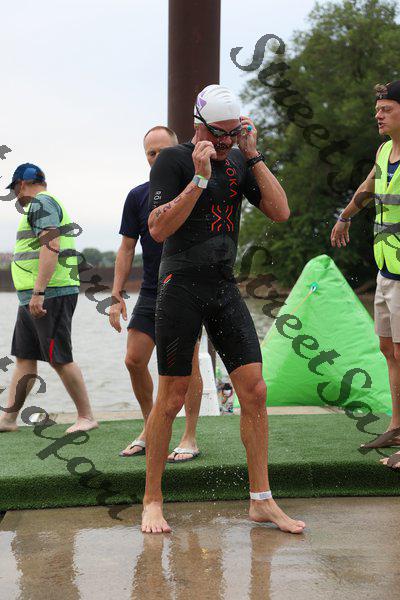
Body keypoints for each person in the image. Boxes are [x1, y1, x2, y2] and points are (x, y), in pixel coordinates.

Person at [141, 84, 306, 534]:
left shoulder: (238, 158)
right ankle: (152, 499)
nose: (227, 141)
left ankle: (261, 501)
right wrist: (197, 180)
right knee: (172, 397)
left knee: (254, 390)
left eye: (235, 132)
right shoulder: (174, 160)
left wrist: (253, 155)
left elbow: (280, 212)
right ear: (200, 126)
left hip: (222, 285)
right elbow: (158, 229)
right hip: (179, 285)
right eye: (221, 133)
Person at [109, 126, 203, 461]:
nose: (158, 157)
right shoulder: (137, 196)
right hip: (152, 289)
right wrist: (117, 294)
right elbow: (126, 248)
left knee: (189, 363)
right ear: (145, 157)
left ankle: (189, 436)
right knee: (134, 359)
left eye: (164, 151)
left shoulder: (197, 190)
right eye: (152, 153)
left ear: (179, 151)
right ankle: (152, 427)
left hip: (188, 288)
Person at [331, 80, 400, 469]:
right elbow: (371, 183)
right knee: (388, 349)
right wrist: (345, 216)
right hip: (387, 267)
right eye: (377, 109)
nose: (378, 115)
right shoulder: (385, 150)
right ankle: (396, 426)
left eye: (386, 108)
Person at [0, 164, 98, 433]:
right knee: (25, 357)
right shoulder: (41, 205)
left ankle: (86, 417)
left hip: (49, 293)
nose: (16, 196)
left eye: (15, 189)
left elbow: (51, 245)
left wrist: (39, 292)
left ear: (21, 184)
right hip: (33, 297)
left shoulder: (41, 203)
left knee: (59, 357)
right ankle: (8, 419)